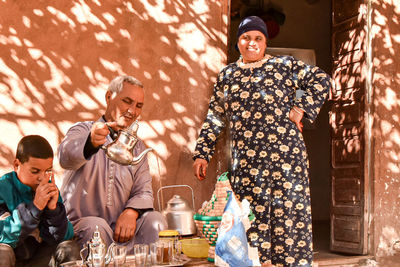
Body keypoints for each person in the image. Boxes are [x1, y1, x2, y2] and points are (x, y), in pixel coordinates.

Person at [193, 16, 331, 267]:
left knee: (289, 224)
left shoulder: (284, 65)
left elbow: (321, 79)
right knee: (249, 225)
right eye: (246, 37)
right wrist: (202, 152)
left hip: (287, 162)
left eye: (258, 38)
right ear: (238, 42)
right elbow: (215, 117)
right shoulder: (227, 76)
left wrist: (301, 108)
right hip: (246, 166)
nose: (252, 43)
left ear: (265, 43)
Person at [58, 75, 167, 253]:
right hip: (84, 227)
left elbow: (144, 190)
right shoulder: (83, 130)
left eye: (138, 105)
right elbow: (65, 157)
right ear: (109, 97)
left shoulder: (137, 146)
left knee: (155, 220)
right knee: (95, 226)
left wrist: (132, 211)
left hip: (123, 232)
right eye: (127, 101)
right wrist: (90, 142)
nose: (132, 110)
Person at [0, 135, 79, 267]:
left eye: (47, 171)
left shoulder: (50, 189)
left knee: (70, 248)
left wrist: (53, 210)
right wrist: (35, 207)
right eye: (35, 171)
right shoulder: (3, 189)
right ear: (16, 165)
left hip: (41, 260)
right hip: (13, 260)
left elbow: (65, 236)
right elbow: (4, 234)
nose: (41, 178)